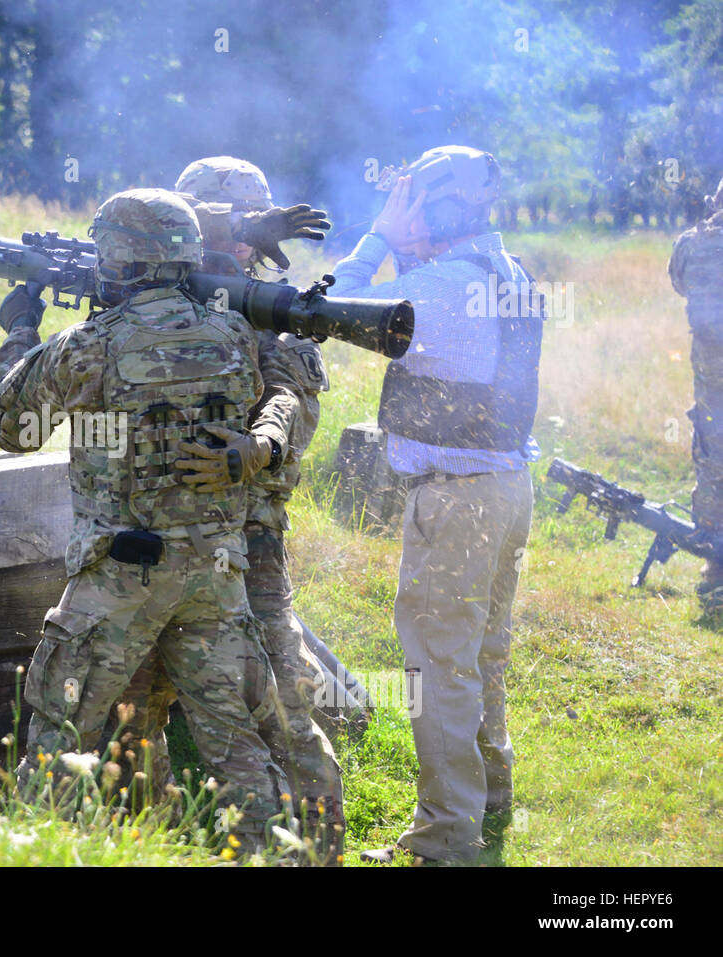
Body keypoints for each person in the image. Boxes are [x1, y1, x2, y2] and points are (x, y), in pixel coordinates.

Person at [0, 187, 292, 850]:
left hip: (120, 577)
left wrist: (18, 331)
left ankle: (41, 850)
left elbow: (12, 428)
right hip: (216, 573)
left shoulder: (90, 344)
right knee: (236, 741)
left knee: (61, 730)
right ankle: (276, 853)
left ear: (119, 257)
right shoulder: (235, 336)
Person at [109, 156, 346, 864]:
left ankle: (320, 844)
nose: (237, 244)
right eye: (224, 223)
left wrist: (257, 443)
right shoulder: (144, 294)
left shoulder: (275, 311)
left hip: (248, 543)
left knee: (283, 704)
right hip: (151, 539)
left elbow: (293, 409)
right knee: (135, 704)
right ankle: (147, 839)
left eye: (248, 227)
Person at [329, 146, 542, 865]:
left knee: (437, 668)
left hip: (456, 502)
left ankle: (447, 837)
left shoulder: (441, 285)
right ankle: (490, 792)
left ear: (440, 206)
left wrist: (381, 236)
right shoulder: (502, 271)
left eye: (410, 196)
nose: (399, 208)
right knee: (483, 651)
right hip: (507, 487)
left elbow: (322, 308)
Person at [669, 176, 723, 613]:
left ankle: (716, 568)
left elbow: (679, 283)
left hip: (713, 378)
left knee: (714, 459)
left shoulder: (692, 244)